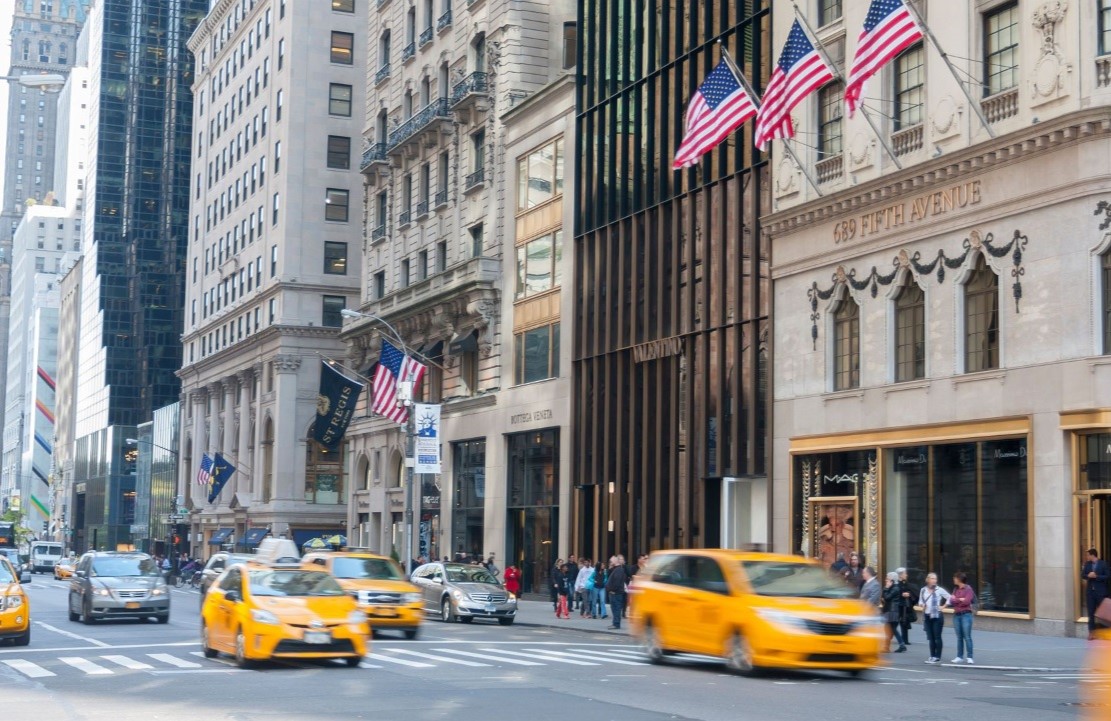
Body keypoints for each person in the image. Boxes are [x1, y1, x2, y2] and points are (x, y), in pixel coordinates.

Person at [918, 572, 951, 664]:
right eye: (932, 578)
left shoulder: (939, 590)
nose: (934, 580)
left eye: (935, 579)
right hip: (927, 615)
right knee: (930, 637)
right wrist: (922, 605)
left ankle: (937, 656)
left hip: (937, 616)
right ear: (928, 580)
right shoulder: (923, 590)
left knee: (937, 636)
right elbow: (920, 601)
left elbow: (950, 597)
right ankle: (932, 655)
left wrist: (943, 606)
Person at [949, 571, 977, 664]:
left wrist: (957, 600)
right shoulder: (955, 589)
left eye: (955, 578)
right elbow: (951, 601)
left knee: (967, 636)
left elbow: (967, 601)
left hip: (966, 615)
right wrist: (959, 599)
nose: (953, 579)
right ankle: (959, 656)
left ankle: (970, 657)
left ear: (959, 579)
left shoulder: (968, 589)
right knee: (959, 637)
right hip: (957, 615)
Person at [1082, 548, 1110, 641]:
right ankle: (1091, 633)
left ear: (1093, 555)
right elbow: (1083, 575)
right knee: (1091, 614)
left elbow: (1108, 576)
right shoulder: (1087, 564)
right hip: (1090, 593)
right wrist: (1088, 575)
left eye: (1088, 555)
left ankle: (1106, 633)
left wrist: (1096, 576)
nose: (1087, 557)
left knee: (1104, 615)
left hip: (1101, 592)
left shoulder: (1103, 564)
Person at [882, 572, 907, 653]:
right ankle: (890, 646)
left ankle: (900, 645)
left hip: (892, 611)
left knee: (890, 629)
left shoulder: (895, 588)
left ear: (892, 580)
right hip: (891, 610)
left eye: (887, 579)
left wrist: (886, 588)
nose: (886, 580)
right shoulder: (894, 587)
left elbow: (887, 597)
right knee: (891, 629)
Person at [605, 556, 628, 629]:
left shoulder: (619, 570)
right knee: (614, 608)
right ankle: (615, 623)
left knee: (616, 609)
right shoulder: (615, 569)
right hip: (614, 593)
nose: (610, 563)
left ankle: (616, 624)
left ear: (615, 561)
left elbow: (617, 583)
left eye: (611, 561)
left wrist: (612, 590)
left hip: (616, 593)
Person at [897, 567, 918, 645]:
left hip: (906, 606)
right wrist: (902, 594)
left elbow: (912, 592)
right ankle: (898, 638)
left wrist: (909, 594)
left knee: (905, 622)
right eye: (905, 573)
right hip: (899, 606)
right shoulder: (897, 584)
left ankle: (905, 639)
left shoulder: (906, 584)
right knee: (896, 623)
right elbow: (895, 593)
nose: (906, 575)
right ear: (901, 575)